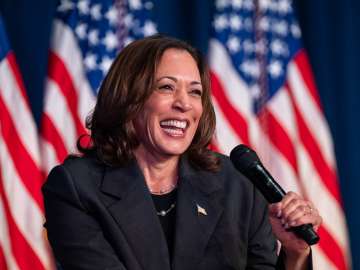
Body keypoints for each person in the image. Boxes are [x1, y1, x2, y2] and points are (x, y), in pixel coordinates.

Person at [42, 34, 322, 270]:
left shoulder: (237, 185)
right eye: (166, 87)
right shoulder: (75, 187)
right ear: (128, 98)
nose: (184, 104)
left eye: (195, 92)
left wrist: (295, 253)